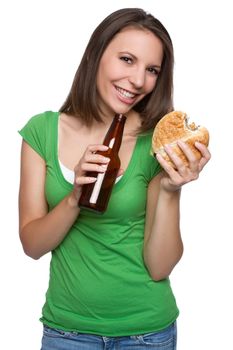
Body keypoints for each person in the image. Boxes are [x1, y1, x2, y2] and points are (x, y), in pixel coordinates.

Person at [18, 7, 211, 350]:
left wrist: (170, 188)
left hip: (147, 333)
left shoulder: (157, 144)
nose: (138, 80)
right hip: (68, 333)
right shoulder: (42, 132)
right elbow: (33, 246)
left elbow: (159, 266)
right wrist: (75, 196)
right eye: (126, 59)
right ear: (95, 54)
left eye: (152, 69)